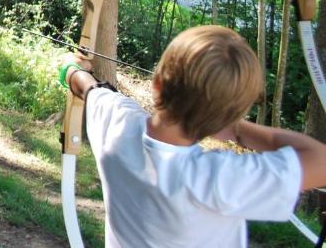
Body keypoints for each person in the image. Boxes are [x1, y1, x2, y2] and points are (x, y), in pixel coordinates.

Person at [59, 25, 326, 247]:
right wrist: (236, 128)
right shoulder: (219, 178)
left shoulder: (117, 122)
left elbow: (88, 88)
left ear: (157, 84)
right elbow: (320, 160)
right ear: (224, 121)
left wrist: (71, 69)